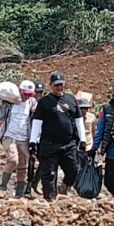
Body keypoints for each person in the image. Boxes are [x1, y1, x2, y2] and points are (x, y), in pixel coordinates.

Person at [30, 71, 86, 201]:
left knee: (73, 170)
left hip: (68, 144)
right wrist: (33, 142)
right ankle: (50, 200)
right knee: (49, 174)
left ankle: (65, 186)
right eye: (56, 85)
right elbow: (37, 122)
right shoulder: (44, 102)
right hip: (49, 144)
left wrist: (82, 139)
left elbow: (78, 120)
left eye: (61, 84)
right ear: (51, 86)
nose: (59, 87)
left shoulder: (71, 99)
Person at [0, 80, 37, 197]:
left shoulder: (31, 102)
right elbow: (1, 115)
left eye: (29, 94)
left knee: (23, 165)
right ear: (19, 91)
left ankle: (19, 194)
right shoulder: (9, 101)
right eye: (25, 94)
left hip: (24, 137)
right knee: (13, 159)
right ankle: (3, 186)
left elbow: (36, 113)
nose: (27, 97)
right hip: (9, 135)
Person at [26, 82, 46, 196]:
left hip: (42, 137)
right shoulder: (29, 105)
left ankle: (35, 183)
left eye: (41, 92)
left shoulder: (45, 104)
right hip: (30, 136)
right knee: (31, 162)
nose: (39, 94)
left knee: (44, 161)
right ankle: (28, 187)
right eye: (37, 92)